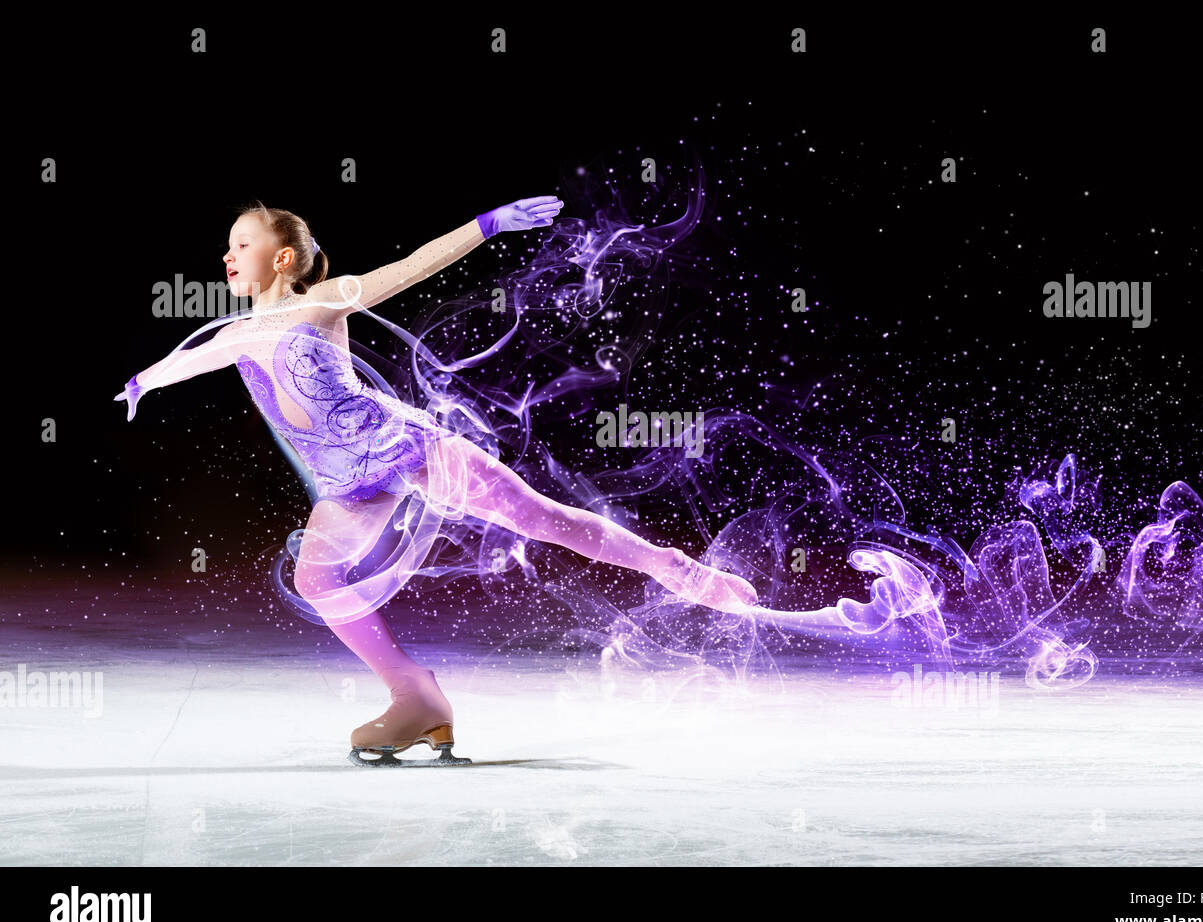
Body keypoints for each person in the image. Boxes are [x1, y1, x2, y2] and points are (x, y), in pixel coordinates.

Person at [115, 197, 760, 764]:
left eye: (242, 244)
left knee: (540, 519)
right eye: (227, 247)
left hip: (400, 447)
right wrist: (142, 382)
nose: (228, 256)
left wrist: (486, 225)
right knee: (315, 578)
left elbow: (412, 266)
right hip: (344, 481)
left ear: (283, 259)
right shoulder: (238, 334)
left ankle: (678, 569)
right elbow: (191, 361)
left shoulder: (322, 301)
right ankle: (414, 697)